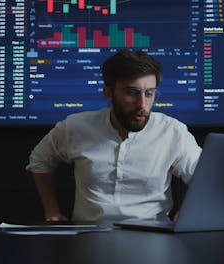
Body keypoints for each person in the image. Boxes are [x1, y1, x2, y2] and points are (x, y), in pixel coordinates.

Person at [26, 49, 202, 223]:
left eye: (149, 93)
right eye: (132, 92)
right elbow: (40, 160)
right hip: (89, 235)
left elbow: (206, 177)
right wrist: (52, 211)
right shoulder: (75, 127)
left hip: (153, 235)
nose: (143, 104)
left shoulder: (173, 132)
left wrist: (191, 210)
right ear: (109, 94)